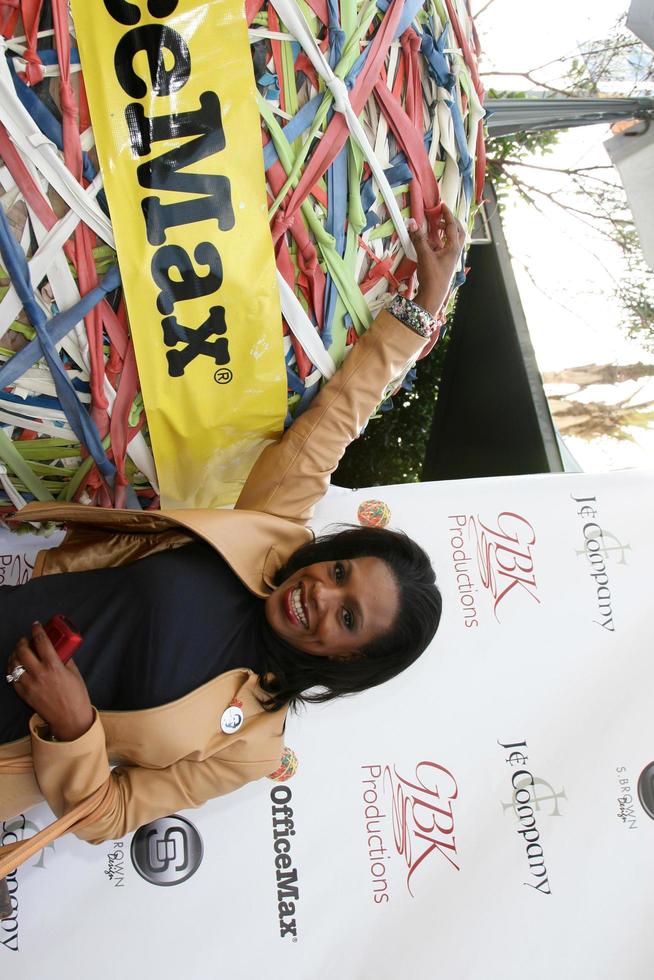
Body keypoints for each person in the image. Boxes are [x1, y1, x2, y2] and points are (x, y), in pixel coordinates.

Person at [0, 208, 465, 849]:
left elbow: (105, 816)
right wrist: (421, 312)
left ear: (351, 659)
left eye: (350, 617)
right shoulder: (268, 533)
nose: (321, 595)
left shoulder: (250, 747)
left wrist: (75, 726)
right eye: (338, 571)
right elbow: (334, 421)